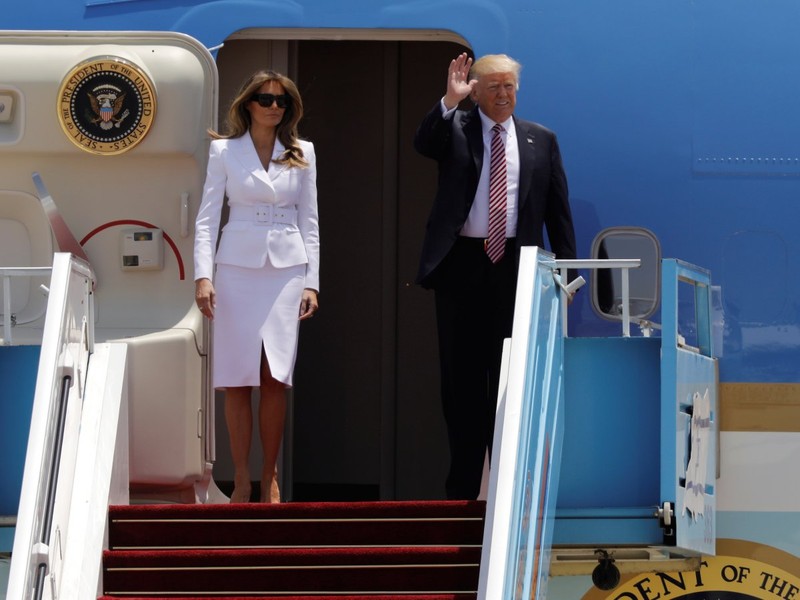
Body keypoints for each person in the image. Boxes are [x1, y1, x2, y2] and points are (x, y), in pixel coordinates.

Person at [414, 52, 577, 500]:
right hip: (461, 268)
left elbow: (558, 212)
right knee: (461, 382)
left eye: (509, 86)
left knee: (510, 377)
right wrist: (449, 101)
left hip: (515, 269)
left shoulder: (541, 139)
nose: (503, 95)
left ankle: (507, 483)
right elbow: (424, 143)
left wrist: (567, 272)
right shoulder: (455, 128)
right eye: (493, 87)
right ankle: (465, 489)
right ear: (476, 92)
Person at [193, 70, 320, 504]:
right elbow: (207, 219)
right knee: (237, 376)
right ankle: (241, 477)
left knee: (274, 375)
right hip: (236, 269)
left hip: (286, 269)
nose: (274, 107)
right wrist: (203, 275)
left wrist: (312, 282)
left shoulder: (302, 151)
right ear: (248, 103)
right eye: (266, 99)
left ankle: (270, 476)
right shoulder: (224, 151)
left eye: (282, 101)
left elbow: (311, 222)